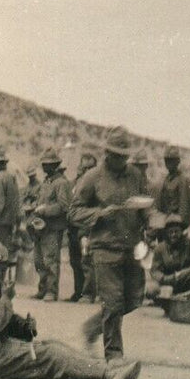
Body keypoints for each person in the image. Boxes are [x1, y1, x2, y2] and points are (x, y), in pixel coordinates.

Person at [0, 241, 142, 379]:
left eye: (3, 269)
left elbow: (4, 323)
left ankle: (106, 368)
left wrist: (23, 325)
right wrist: (6, 299)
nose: (1, 274)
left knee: (52, 346)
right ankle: (106, 374)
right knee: (49, 355)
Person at [70, 128, 151, 362]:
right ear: (107, 153)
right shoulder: (92, 177)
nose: (121, 160)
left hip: (132, 247)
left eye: (124, 155)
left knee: (134, 299)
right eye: (116, 155)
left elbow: (146, 205)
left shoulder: (136, 175)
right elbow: (74, 211)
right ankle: (114, 356)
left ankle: (91, 328)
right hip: (104, 248)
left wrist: (152, 220)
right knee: (113, 301)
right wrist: (99, 214)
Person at [30, 148, 72, 300]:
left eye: (46, 164)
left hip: (53, 228)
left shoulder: (61, 183)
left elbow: (64, 206)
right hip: (41, 227)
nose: (43, 166)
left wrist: (45, 210)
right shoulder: (47, 182)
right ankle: (42, 289)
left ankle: (51, 291)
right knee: (39, 260)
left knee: (51, 260)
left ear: (54, 165)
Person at [149, 213, 190, 298]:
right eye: (170, 232)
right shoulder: (160, 248)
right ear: (166, 233)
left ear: (182, 231)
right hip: (169, 282)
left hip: (187, 279)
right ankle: (166, 302)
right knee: (151, 289)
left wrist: (188, 271)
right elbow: (154, 270)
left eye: (176, 231)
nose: (173, 235)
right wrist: (166, 278)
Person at [67, 151, 98, 302]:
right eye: (84, 167)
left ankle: (88, 293)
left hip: (86, 227)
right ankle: (78, 291)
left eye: (89, 167)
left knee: (86, 261)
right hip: (73, 227)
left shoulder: (96, 185)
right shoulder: (76, 183)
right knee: (75, 261)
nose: (86, 171)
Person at [154, 146, 190, 223]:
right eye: (167, 160)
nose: (168, 163)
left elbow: (184, 207)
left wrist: (180, 223)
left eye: (171, 160)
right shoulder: (166, 179)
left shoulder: (183, 180)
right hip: (165, 221)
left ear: (177, 161)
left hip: (175, 224)